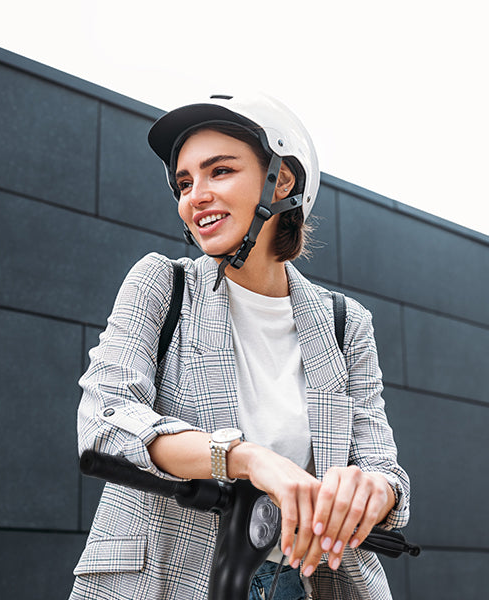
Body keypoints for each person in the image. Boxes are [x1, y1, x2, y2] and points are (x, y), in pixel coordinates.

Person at [71, 93, 409, 600]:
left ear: (282, 181)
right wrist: (245, 457)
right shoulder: (161, 284)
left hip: (308, 583)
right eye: (185, 183)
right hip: (172, 578)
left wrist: (373, 492)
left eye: (220, 171)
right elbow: (104, 420)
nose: (195, 195)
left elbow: (385, 470)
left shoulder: (346, 324)